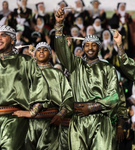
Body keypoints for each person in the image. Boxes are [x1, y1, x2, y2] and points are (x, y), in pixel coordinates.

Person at [54, 8, 120, 150]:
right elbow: (62, 51)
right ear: (83, 48)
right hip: (78, 120)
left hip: (100, 120)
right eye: (87, 45)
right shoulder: (75, 64)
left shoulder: (108, 68)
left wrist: (91, 107)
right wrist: (59, 25)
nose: (90, 48)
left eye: (94, 45)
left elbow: (114, 97)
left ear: (99, 48)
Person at [0, 25, 48, 149]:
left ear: (12, 40)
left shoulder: (25, 61)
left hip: (13, 118)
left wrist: (32, 112)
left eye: (3, 35)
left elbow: (41, 85)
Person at [14, 42, 73, 150]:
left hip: (50, 122)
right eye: (39, 50)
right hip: (28, 123)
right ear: (34, 55)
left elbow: (68, 97)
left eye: (45, 49)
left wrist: (61, 114)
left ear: (50, 55)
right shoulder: (26, 73)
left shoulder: (57, 74)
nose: (41, 51)